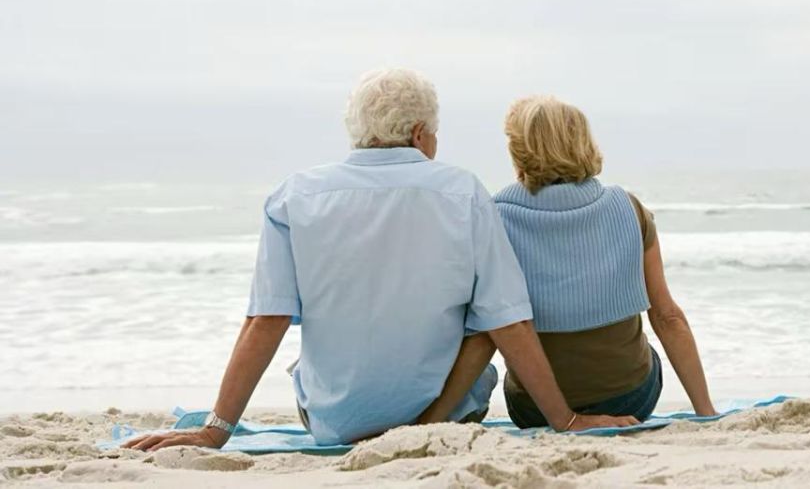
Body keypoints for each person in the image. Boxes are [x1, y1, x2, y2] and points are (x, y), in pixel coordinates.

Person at [123, 70, 635, 452]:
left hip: (331, 422)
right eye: (433, 133)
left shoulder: (295, 196)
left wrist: (216, 430)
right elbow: (507, 320)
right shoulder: (463, 192)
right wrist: (564, 421)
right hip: (449, 418)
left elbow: (266, 320)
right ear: (418, 134)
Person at [493, 95, 718, 427]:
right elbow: (667, 316)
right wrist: (706, 414)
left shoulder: (495, 217)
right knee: (645, 355)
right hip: (631, 399)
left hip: (535, 409)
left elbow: (495, 325)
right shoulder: (627, 207)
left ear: (519, 151)